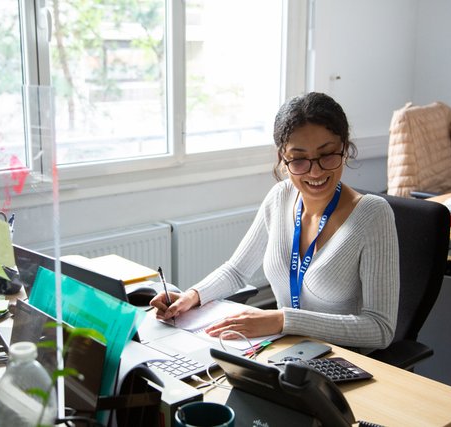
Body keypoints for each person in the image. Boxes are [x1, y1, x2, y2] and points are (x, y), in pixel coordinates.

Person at [150, 92, 399, 351]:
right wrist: (192, 296)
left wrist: (282, 320)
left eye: (327, 155)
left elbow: (380, 329)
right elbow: (237, 270)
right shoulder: (280, 197)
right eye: (299, 159)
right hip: (286, 352)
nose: (315, 171)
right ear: (283, 157)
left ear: (344, 148)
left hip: (346, 365)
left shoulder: (373, 215)